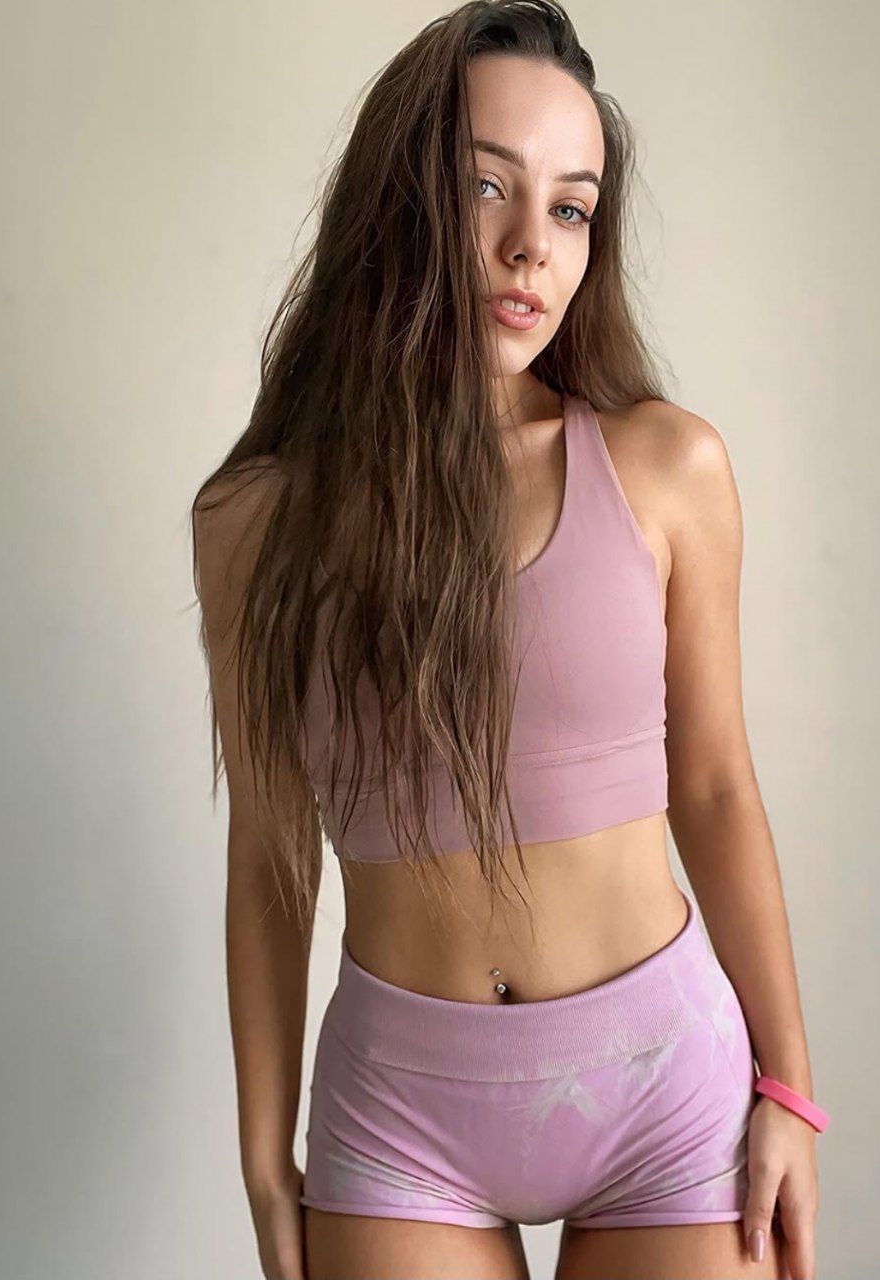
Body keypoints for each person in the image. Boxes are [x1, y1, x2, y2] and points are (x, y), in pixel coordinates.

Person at [190, 3, 826, 1277]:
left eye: (572, 207)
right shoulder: (255, 519)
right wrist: (265, 1158)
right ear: (396, 198)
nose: (531, 244)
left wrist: (789, 1089)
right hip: (399, 1114)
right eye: (486, 186)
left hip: (665, 1097)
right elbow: (269, 849)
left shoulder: (666, 467)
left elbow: (713, 785)